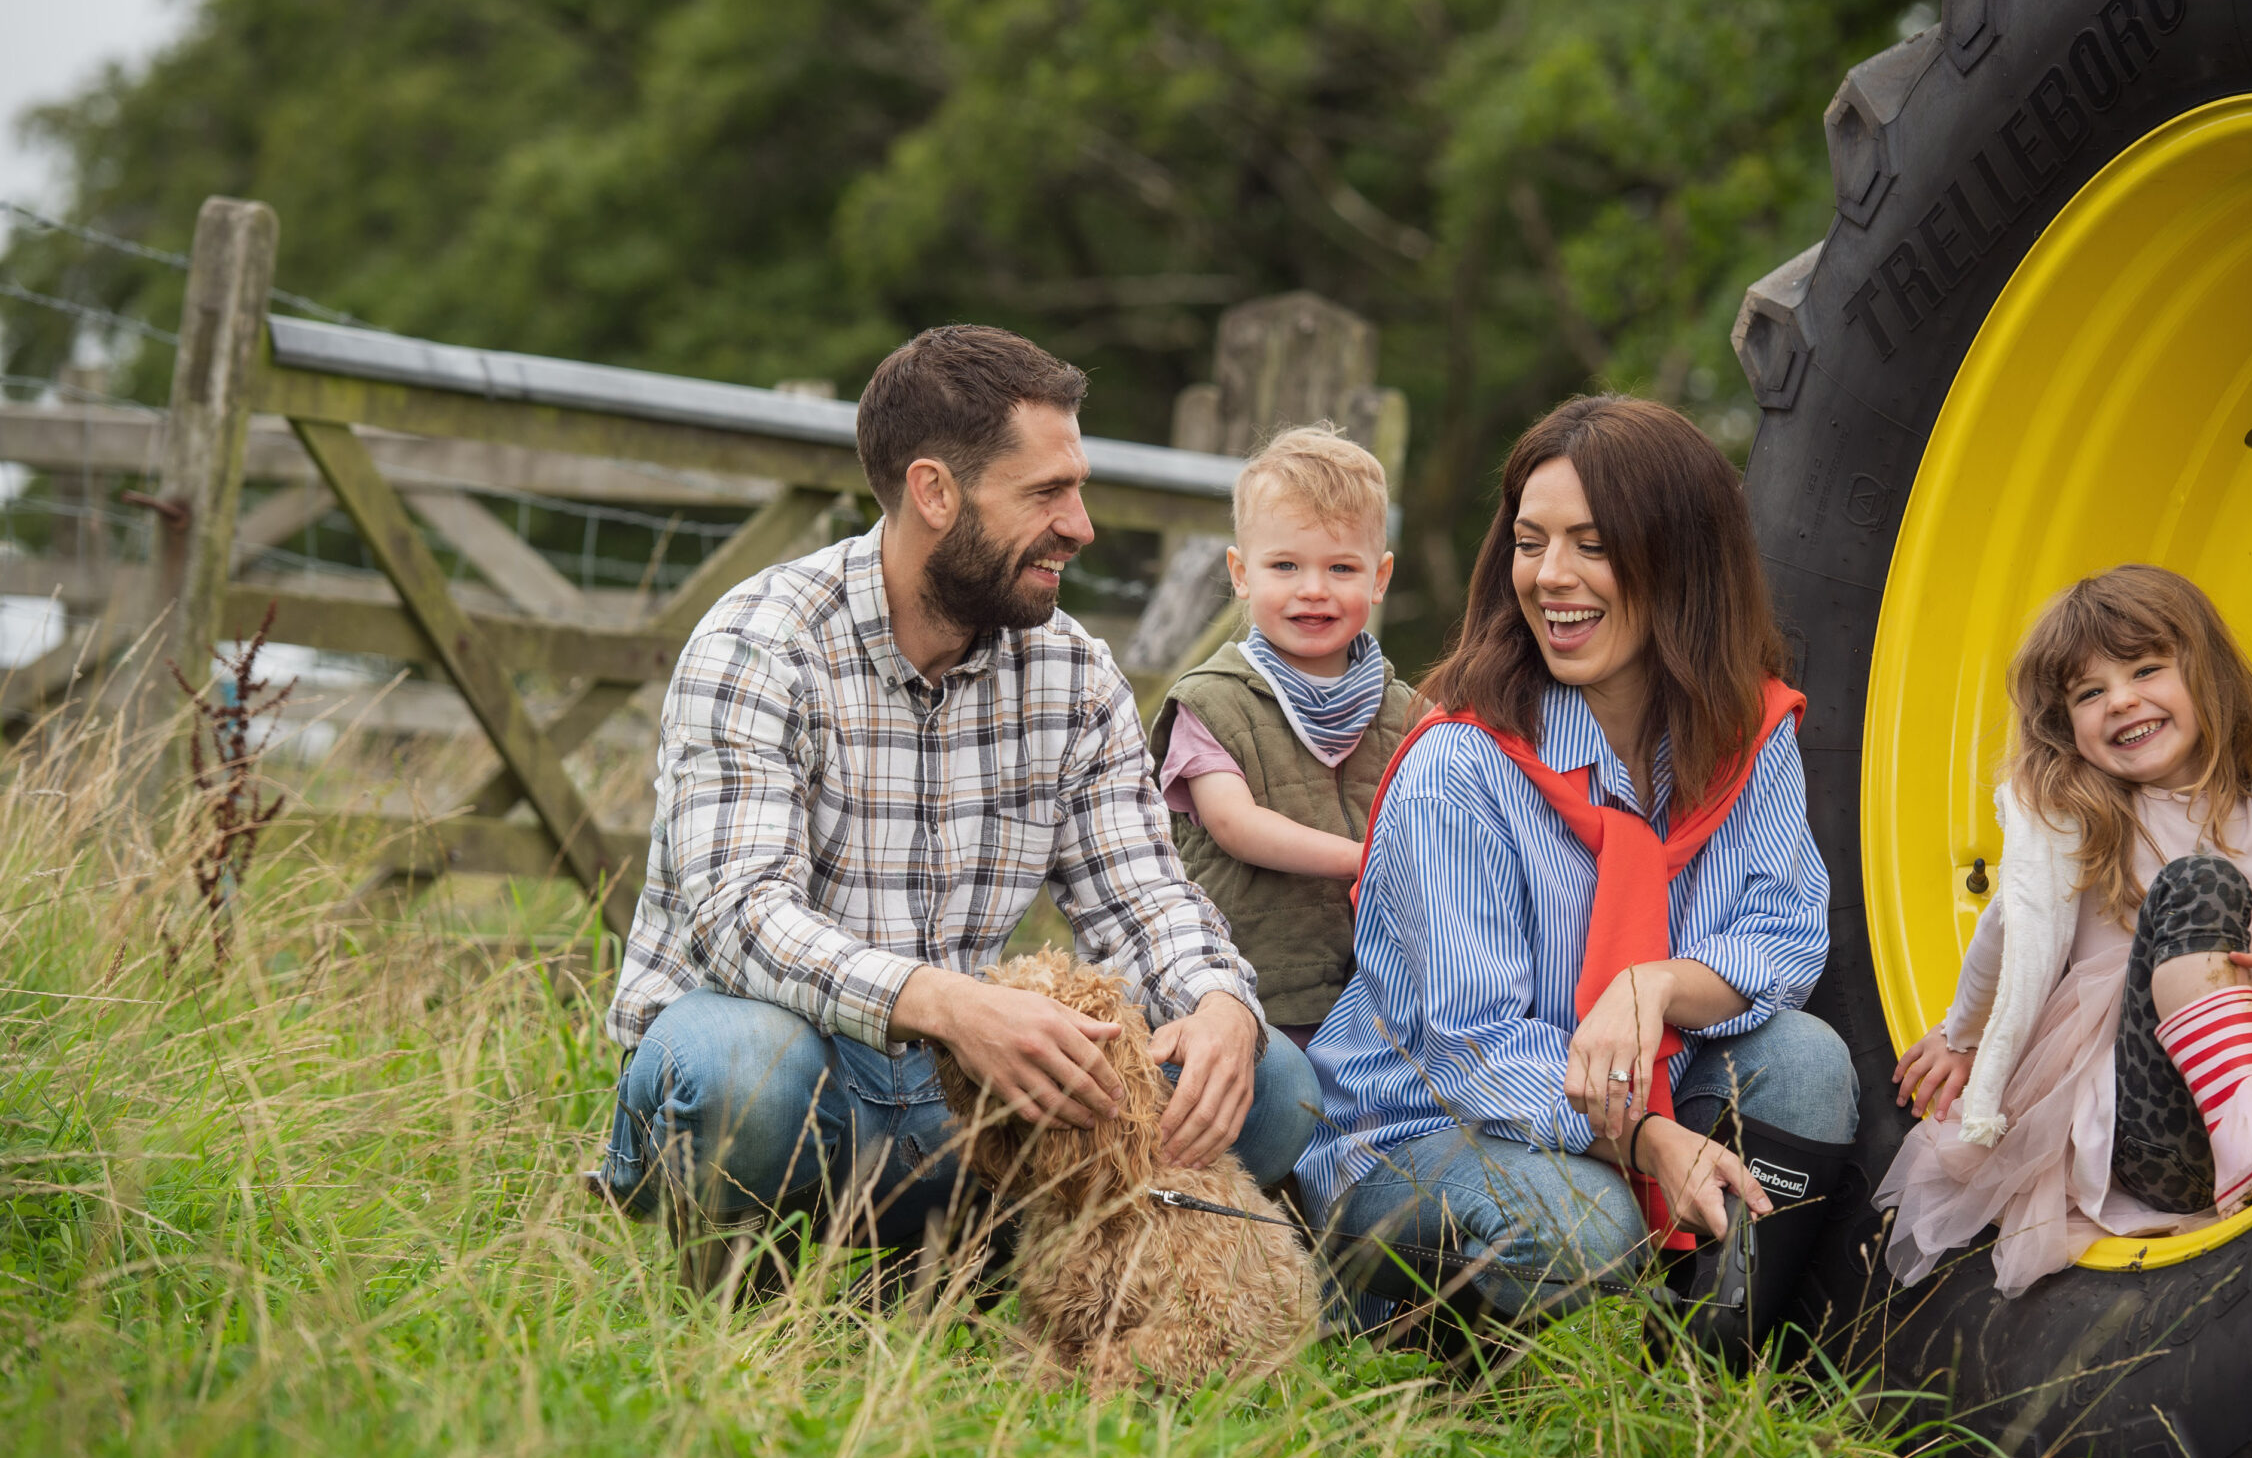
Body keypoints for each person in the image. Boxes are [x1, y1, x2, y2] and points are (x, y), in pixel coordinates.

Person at [598, 325, 1319, 1293]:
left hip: (969, 1103)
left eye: (1078, 488)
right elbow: (738, 921)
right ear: (935, 492)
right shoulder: (760, 644)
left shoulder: (1070, 671)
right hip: (804, 1081)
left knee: (1270, 1087)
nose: (1081, 524)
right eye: (1045, 494)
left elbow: (1143, 895)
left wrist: (1219, 1000)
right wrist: (950, 1004)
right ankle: (734, 1283)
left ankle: (973, 1273)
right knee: (738, 1067)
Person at [1296, 394, 1858, 1342]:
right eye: (1530, 541)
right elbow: (1472, 1051)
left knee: (1807, 1066)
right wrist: (1646, 1138)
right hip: (1419, 1132)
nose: (1551, 577)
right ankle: (1417, 1352)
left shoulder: (1745, 736)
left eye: (1592, 544)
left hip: (1624, 1097)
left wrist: (1656, 983)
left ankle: (1697, 1378)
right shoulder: (1460, 768)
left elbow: (1784, 934)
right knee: (1586, 1227)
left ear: (1681, 559)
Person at [1877, 565, 2252, 1297]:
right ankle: (2243, 1128)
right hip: (2165, 1135)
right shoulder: (2079, 828)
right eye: (2090, 693)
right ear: (2066, 725)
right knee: (2201, 883)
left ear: (2206, 676)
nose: (2121, 699)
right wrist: (1964, 1036)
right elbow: (2010, 934)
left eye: (2147, 668)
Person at [1148, 425, 1416, 1046]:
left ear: (1379, 579)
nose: (1313, 589)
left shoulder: (1406, 713)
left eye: (1341, 567)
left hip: (1374, 1001)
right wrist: (1366, 860)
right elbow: (1235, 826)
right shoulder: (1212, 701)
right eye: (1286, 565)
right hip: (1248, 998)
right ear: (1242, 573)